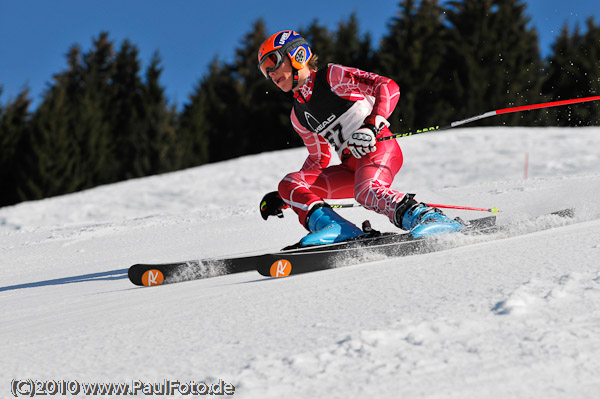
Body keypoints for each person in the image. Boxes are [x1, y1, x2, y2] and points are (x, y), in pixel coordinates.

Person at [257, 30, 462, 246]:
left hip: (379, 148)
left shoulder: (331, 77)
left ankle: (428, 217)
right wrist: (287, 197)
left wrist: (371, 125)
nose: (270, 73)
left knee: (366, 191)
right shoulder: (298, 116)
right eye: (264, 70)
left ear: (297, 55)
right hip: (350, 168)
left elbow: (387, 86)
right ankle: (337, 229)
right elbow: (318, 160)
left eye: (272, 61)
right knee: (289, 183)